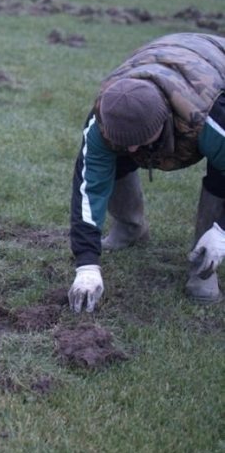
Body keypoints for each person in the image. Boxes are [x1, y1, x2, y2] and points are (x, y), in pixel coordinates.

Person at [69, 33, 225, 313]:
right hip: (162, 61)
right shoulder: (104, 118)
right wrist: (87, 264)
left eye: (139, 140)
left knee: (221, 175)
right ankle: (131, 228)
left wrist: (221, 231)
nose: (130, 147)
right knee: (114, 157)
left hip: (213, 75)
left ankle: (204, 265)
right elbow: (88, 188)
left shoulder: (213, 119)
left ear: (163, 121)